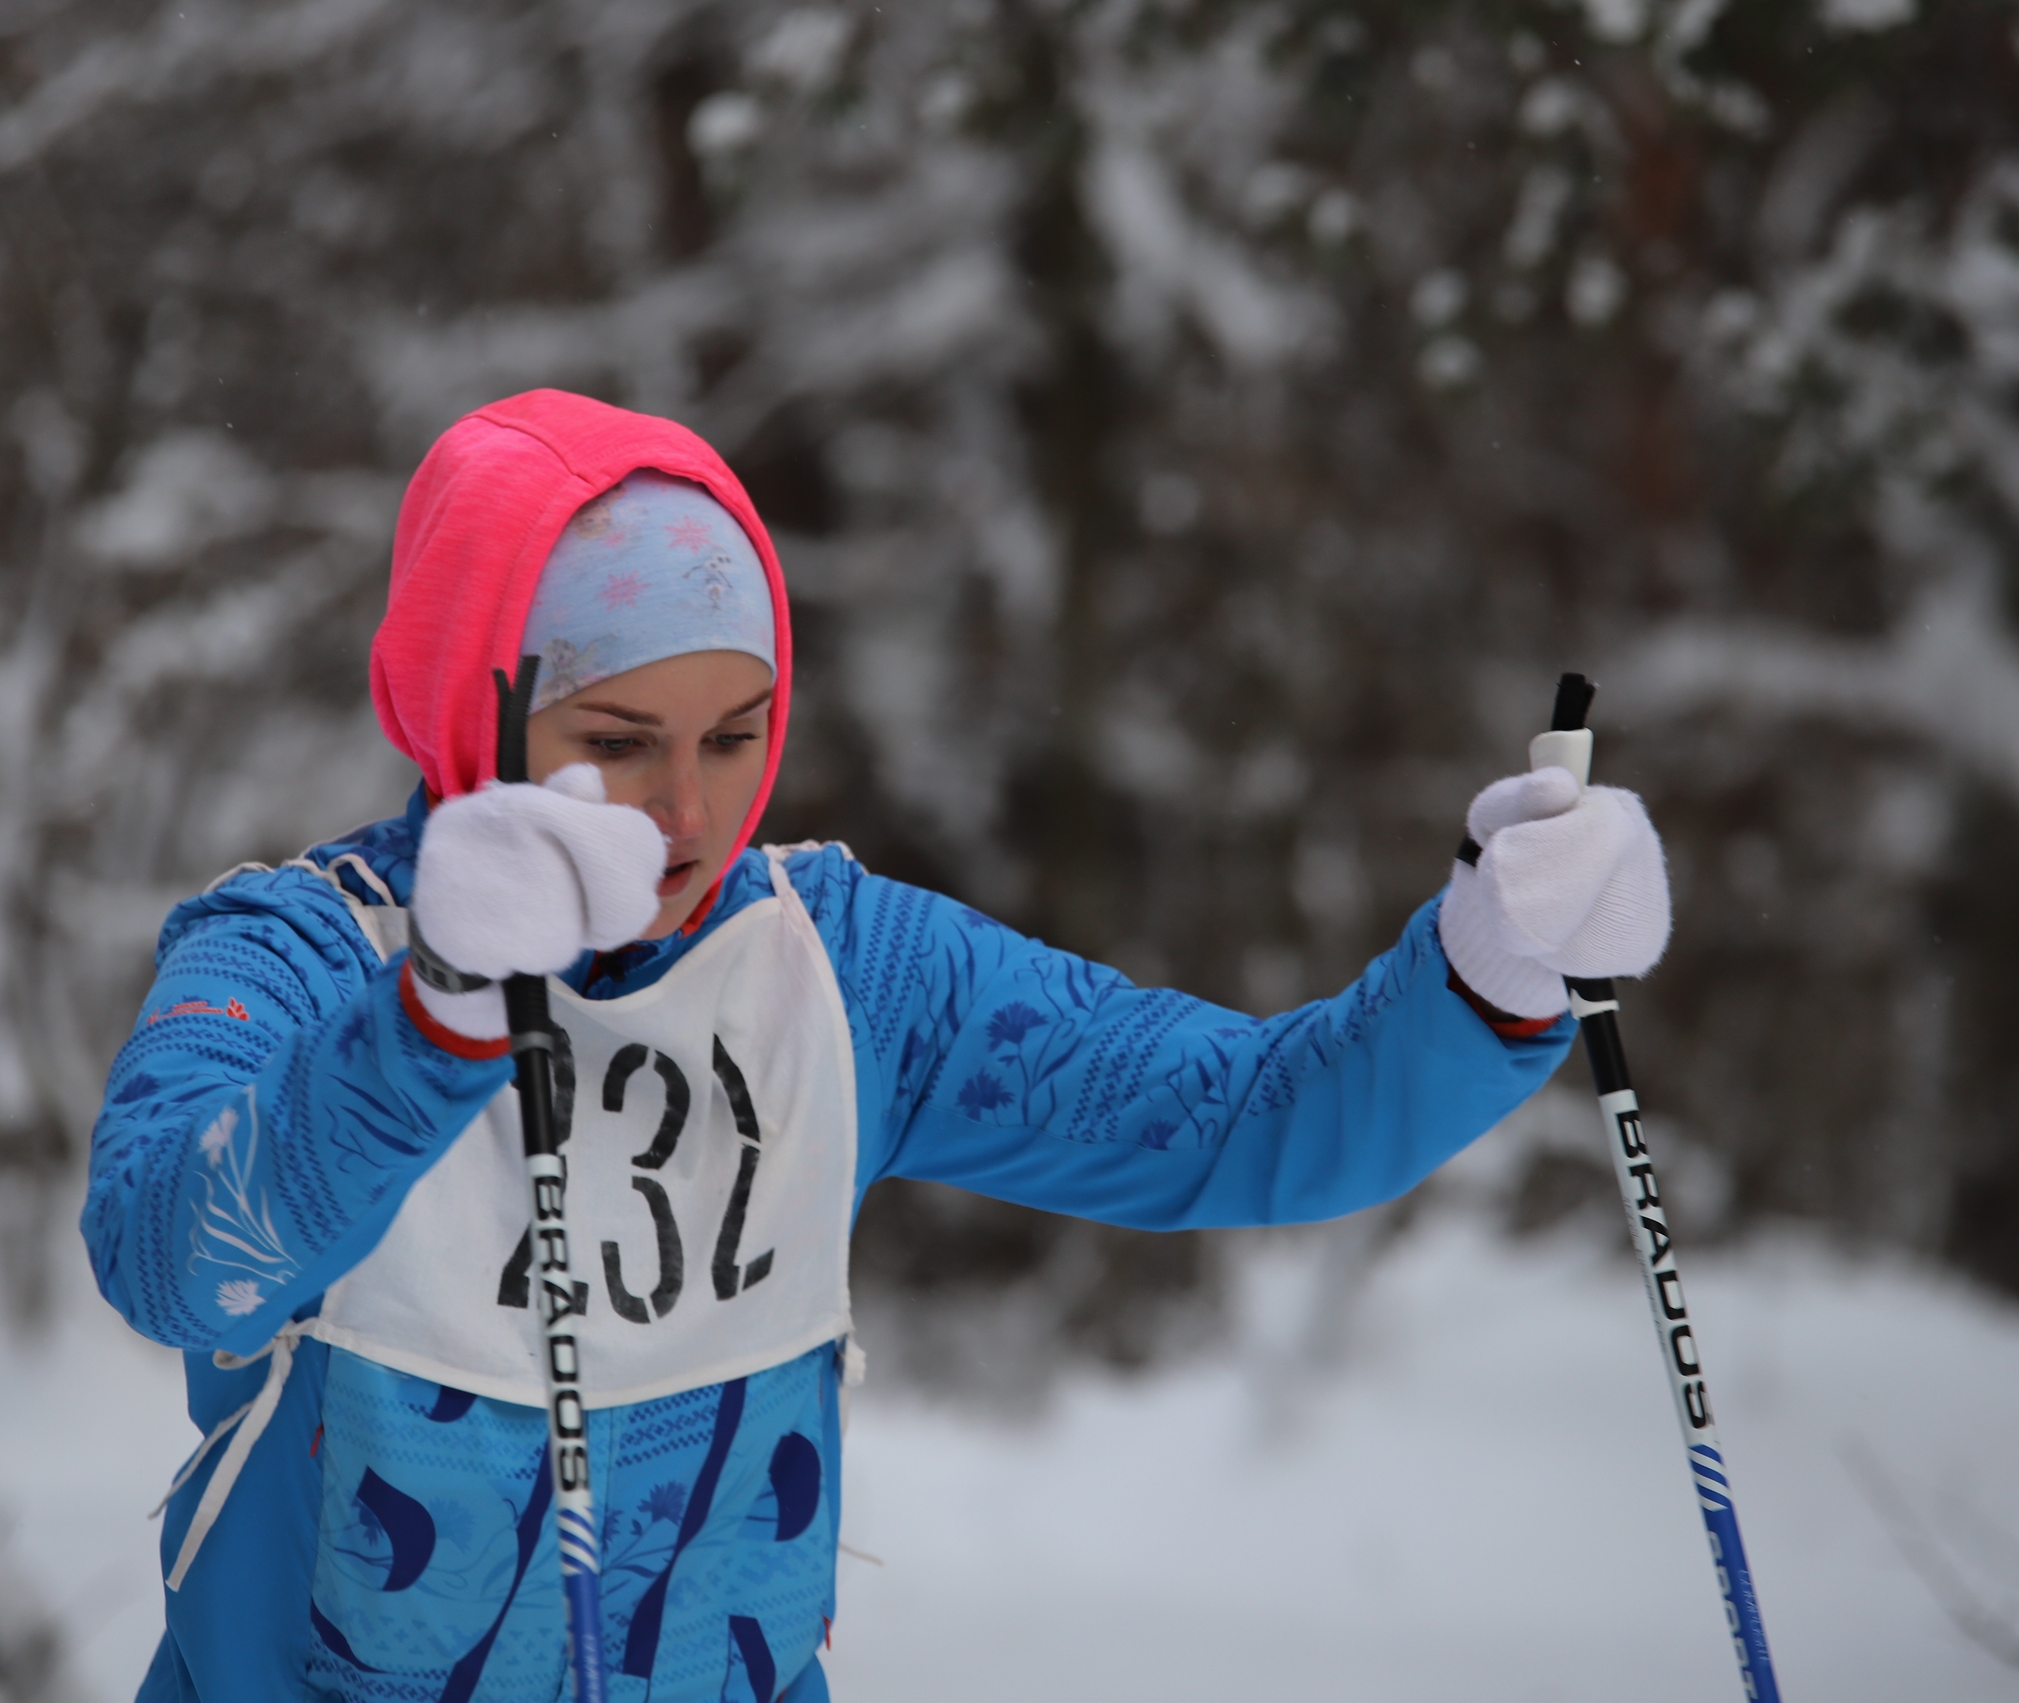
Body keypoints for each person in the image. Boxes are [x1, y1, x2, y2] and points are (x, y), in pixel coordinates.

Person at [85, 389, 1670, 1703]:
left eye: (736, 736)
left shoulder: (838, 967)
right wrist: (429, 1018)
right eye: (616, 744)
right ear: (473, 707)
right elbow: (173, 1261)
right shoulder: (300, 955)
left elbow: (1237, 1119)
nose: (689, 810)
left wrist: (1489, 975)